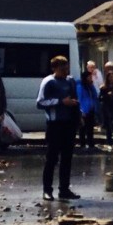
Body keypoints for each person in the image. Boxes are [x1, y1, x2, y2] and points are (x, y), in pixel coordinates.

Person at [36, 55, 81, 201]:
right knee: (51, 159)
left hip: (69, 123)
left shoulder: (71, 81)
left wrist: (78, 113)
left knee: (67, 158)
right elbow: (40, 102)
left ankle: (64, 189)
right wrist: (61, 102)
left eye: (67, 68)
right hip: (55, 124)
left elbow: (74, 98)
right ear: (54, 68)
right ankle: (47, 190)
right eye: (62, 69)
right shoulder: (49, 82)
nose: (65, 71)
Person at [76, 66, 99, 151]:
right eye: (89, 77)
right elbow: (79, 98)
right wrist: (81, 110)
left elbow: (95, 95)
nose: (90, 78)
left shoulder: (90, 86)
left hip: (91, 109)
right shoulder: (80, 86)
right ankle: (82, 143)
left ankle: (90, 143)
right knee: (83, 128)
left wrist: (92, 85)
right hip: (84, 110)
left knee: (90, 128)